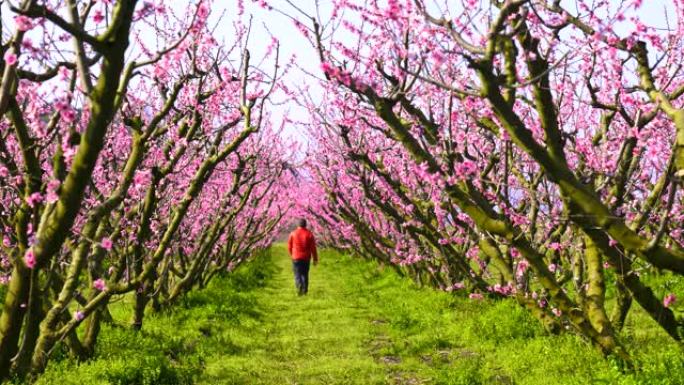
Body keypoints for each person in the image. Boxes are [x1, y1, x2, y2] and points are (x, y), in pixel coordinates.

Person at [287, 219, 318, 295]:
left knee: (297, 273)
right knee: (305, 274)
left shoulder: (293, 233)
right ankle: (305, 290)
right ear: (305, 225)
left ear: (298, 225)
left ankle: (299, 286)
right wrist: (315, 258)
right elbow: (313, 248)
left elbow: (289, 246)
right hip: (306, 257)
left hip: (296, 257)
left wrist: (292, 254)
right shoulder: (309, 234)